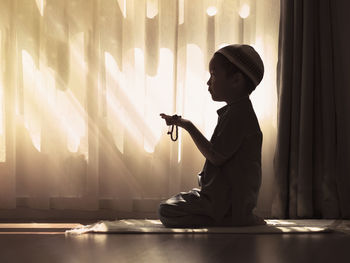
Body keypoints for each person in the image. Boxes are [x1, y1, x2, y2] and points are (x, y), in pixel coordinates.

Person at [159, 44, 266, 227]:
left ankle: (229, 219)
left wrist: (187, 125)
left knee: (166, 210)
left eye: (214, 75)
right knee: (173, 205)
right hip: (220, 197)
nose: (208, 82)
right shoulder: (236, 111)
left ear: (236, 80)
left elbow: (216, 156)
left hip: (226, 200)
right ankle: (229, 217)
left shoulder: (239, 115)